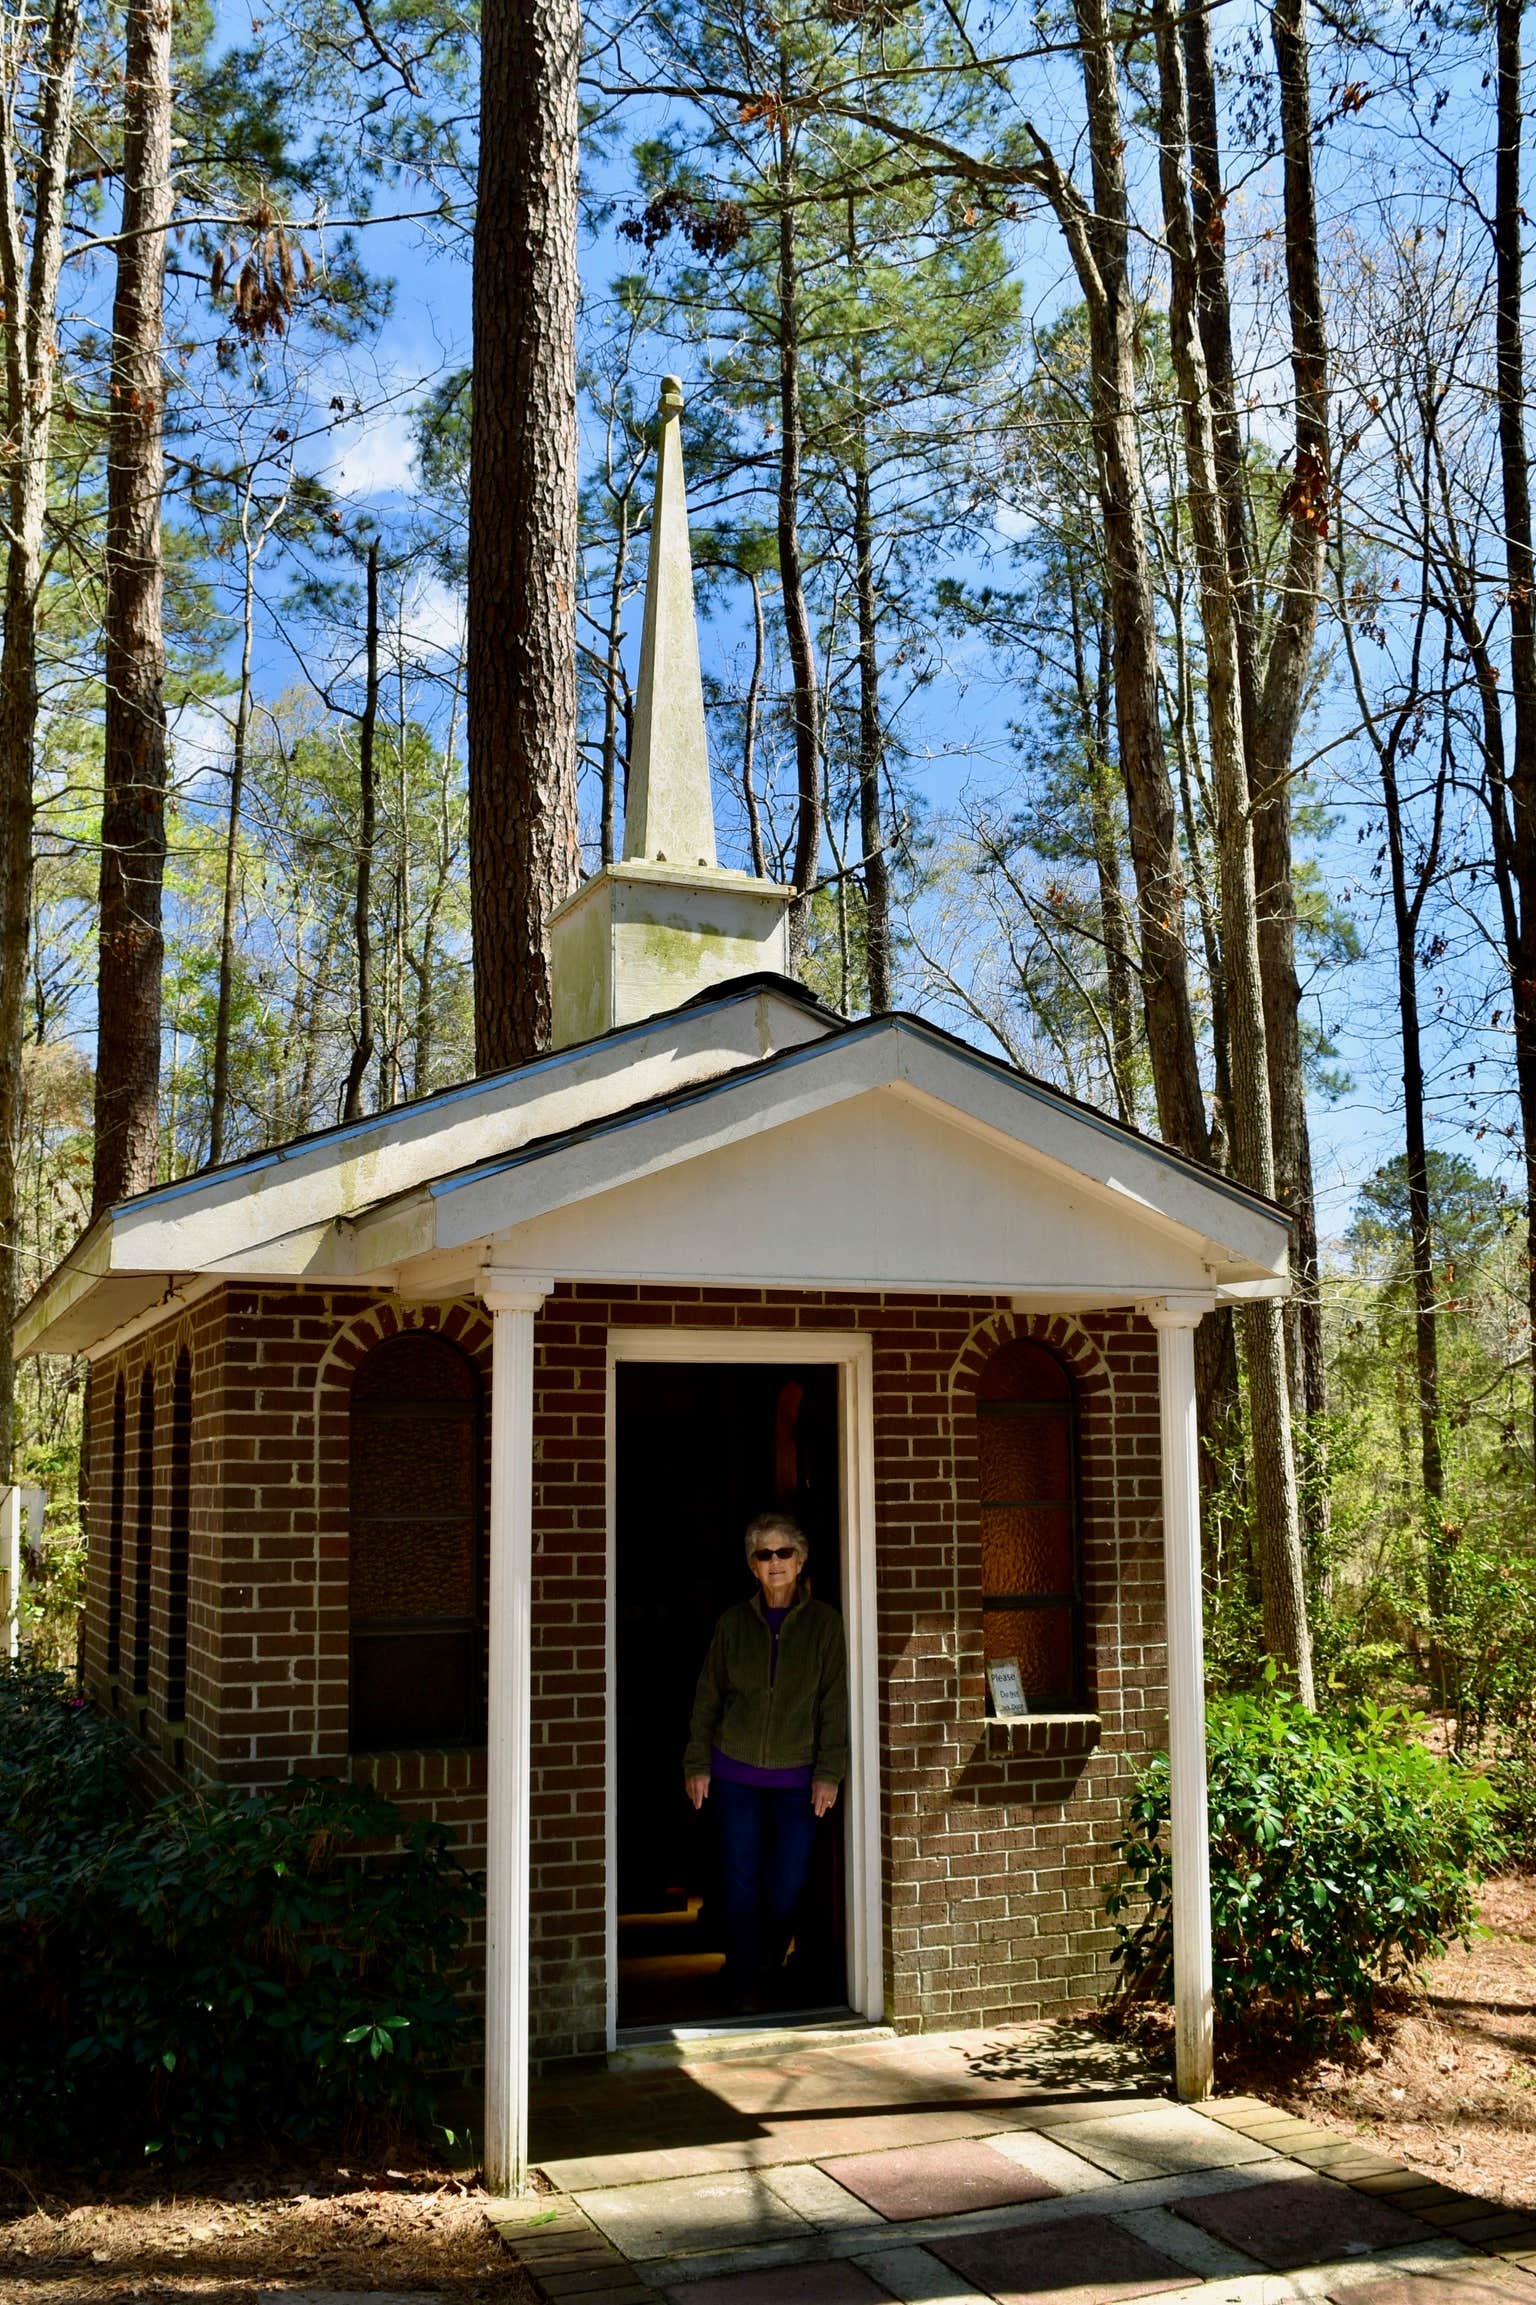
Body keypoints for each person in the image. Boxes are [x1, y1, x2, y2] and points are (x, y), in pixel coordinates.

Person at [684, 1513, 848, 2013]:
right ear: (752, 1566)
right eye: (763, 1554)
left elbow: (834, 1702)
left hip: (798, 1778)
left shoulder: (824, 1624)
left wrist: (828, 1772)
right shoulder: (734, 1624)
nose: (774, 1563)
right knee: (738, 1881)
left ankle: (766, 1965)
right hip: (734, 1774)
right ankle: (743, 1973)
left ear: (800, 1561)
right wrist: (696, 1761)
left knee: (786, 1885)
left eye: (783, 1553)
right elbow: (708, 1698)